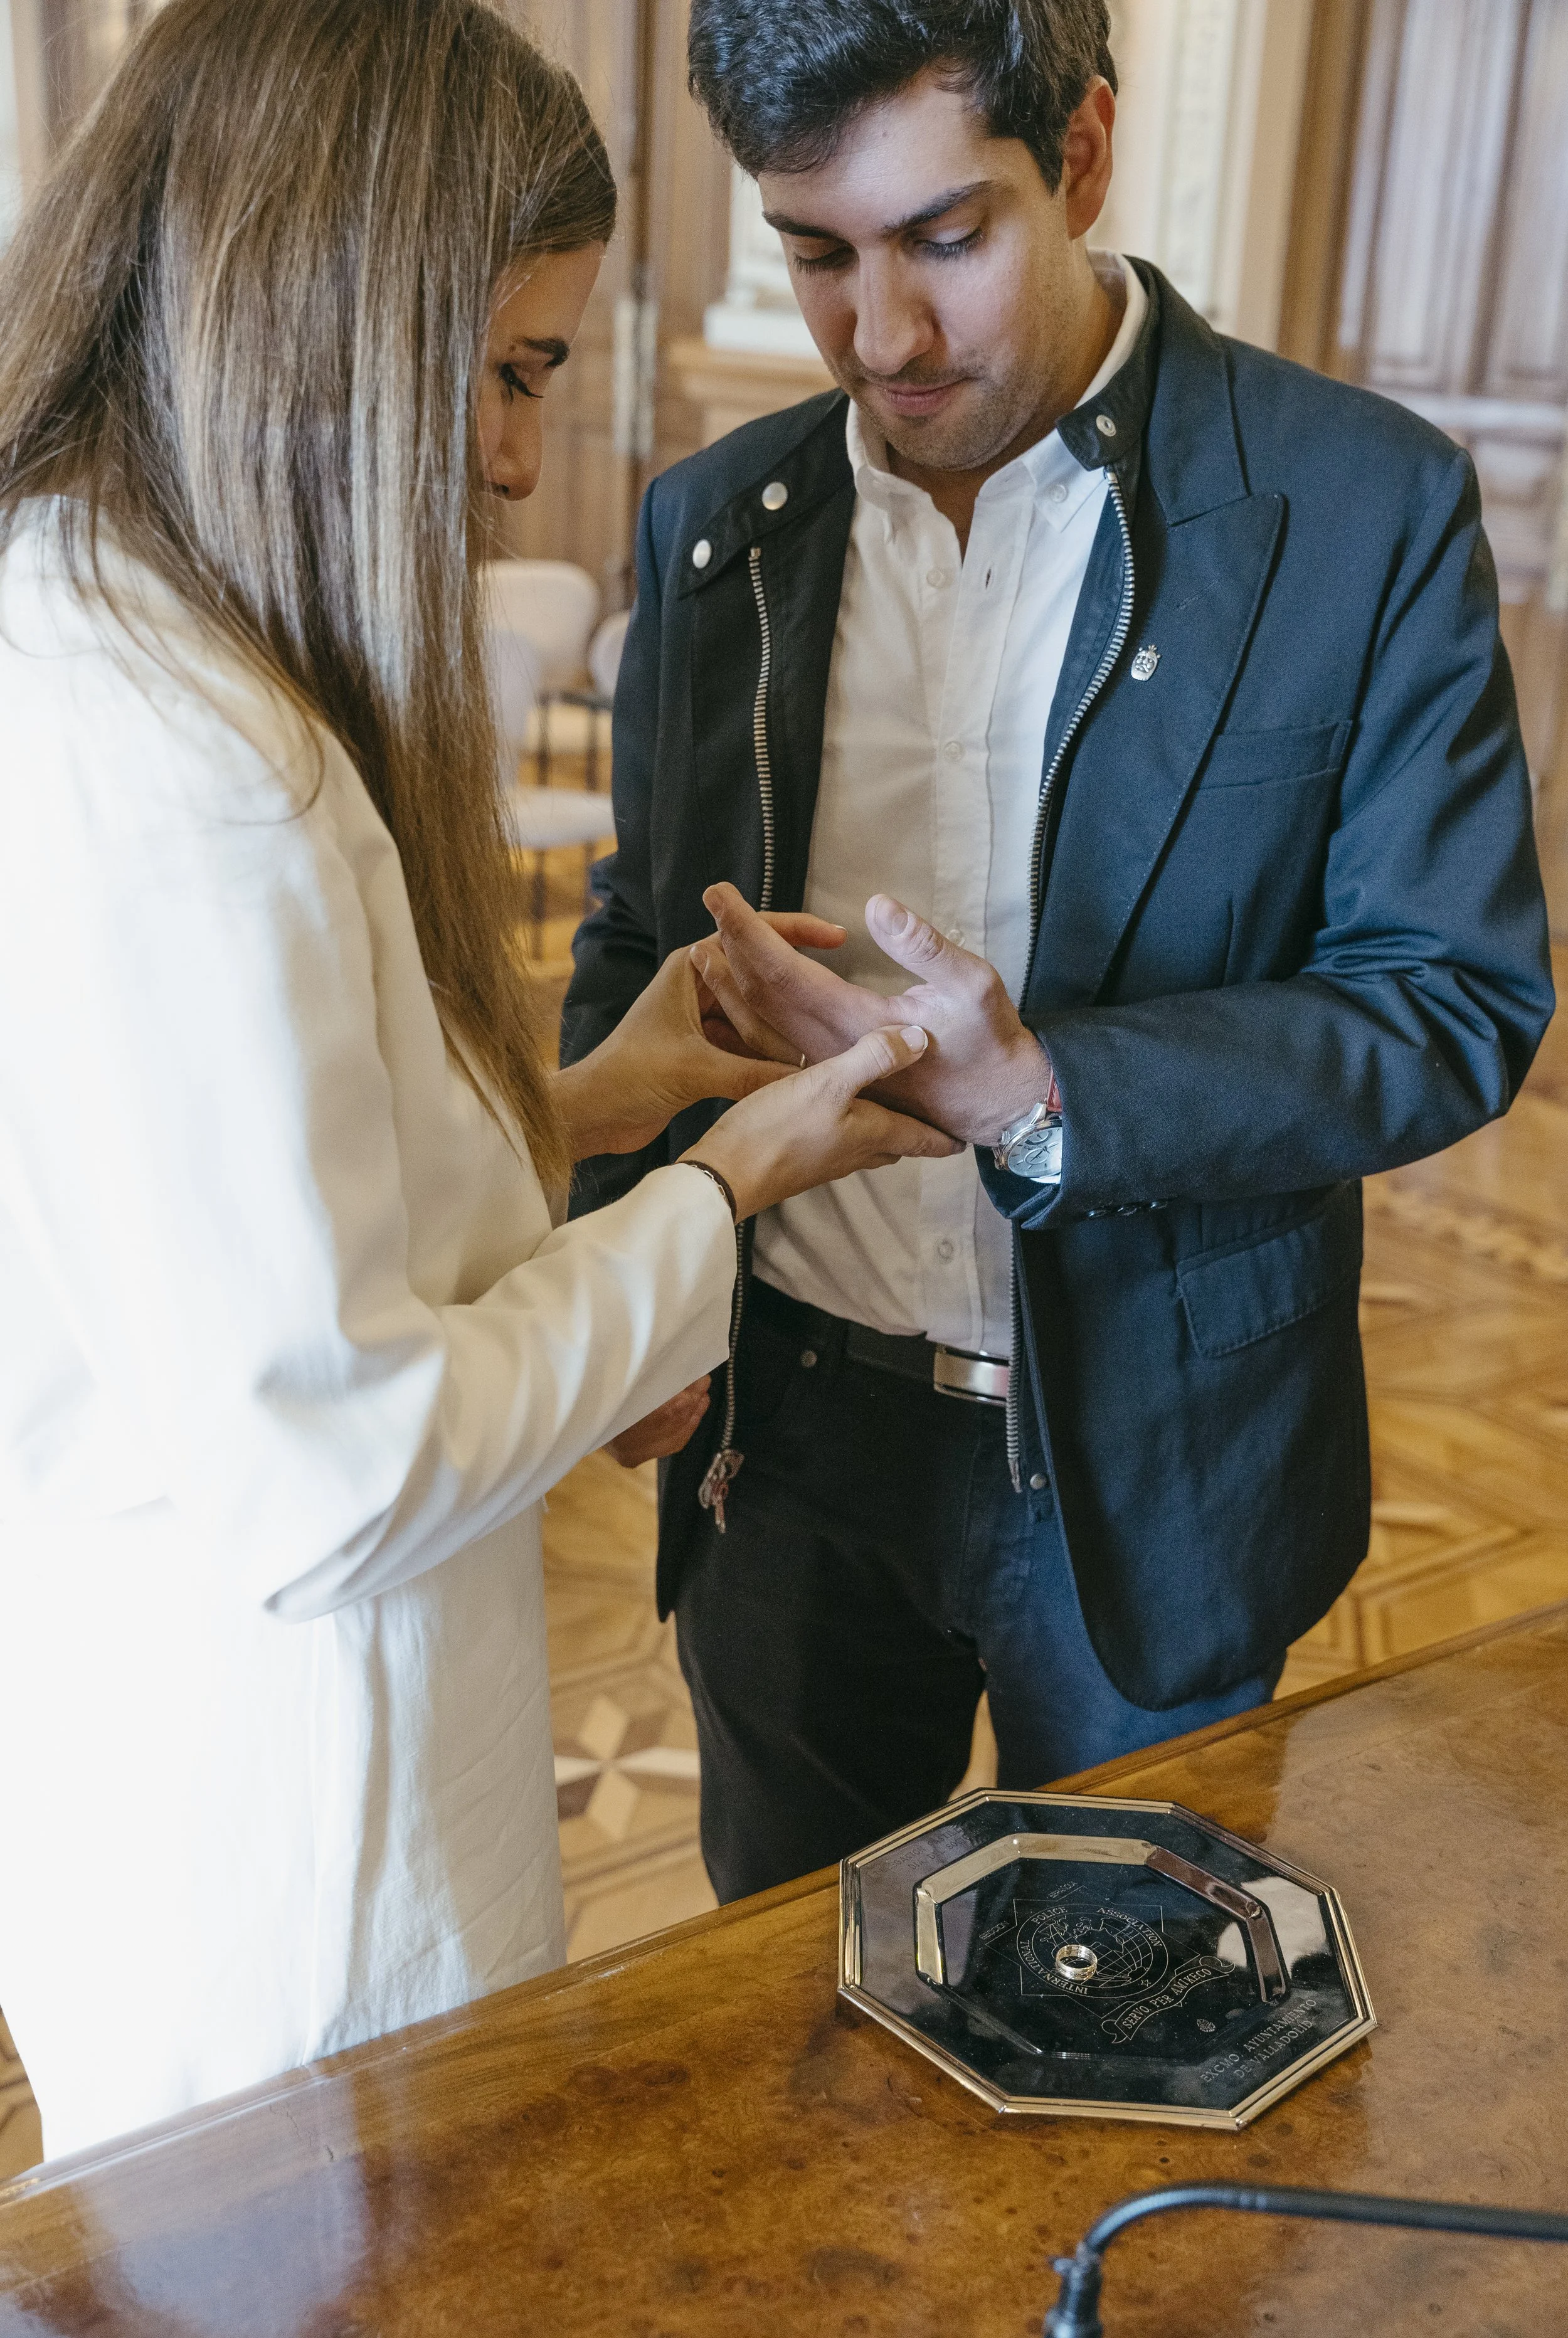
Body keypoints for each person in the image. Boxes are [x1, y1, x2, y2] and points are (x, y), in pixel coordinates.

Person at [0, 0, 958, 2162]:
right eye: (513, 370)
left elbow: (262, 1193)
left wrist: (604, 1096)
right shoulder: (189, 771)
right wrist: (724, 1190)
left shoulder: (106, 628)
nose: (522, 463)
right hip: (297, 1850)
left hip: (170, 1759)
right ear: (334, 311)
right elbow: (333, 1463)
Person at [562, 0, 1555, 1901]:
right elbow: (635, 939)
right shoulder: (713, 527)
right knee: (779, 2025)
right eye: (815, 253)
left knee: (1136, 2030)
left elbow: (1450, 998)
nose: (884, 336)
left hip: (1161, 1458)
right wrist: (634, 1267)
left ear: (1081, 153)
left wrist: (1040, 1092)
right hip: (785, 1456)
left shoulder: (1361, 508)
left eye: (947, 237)